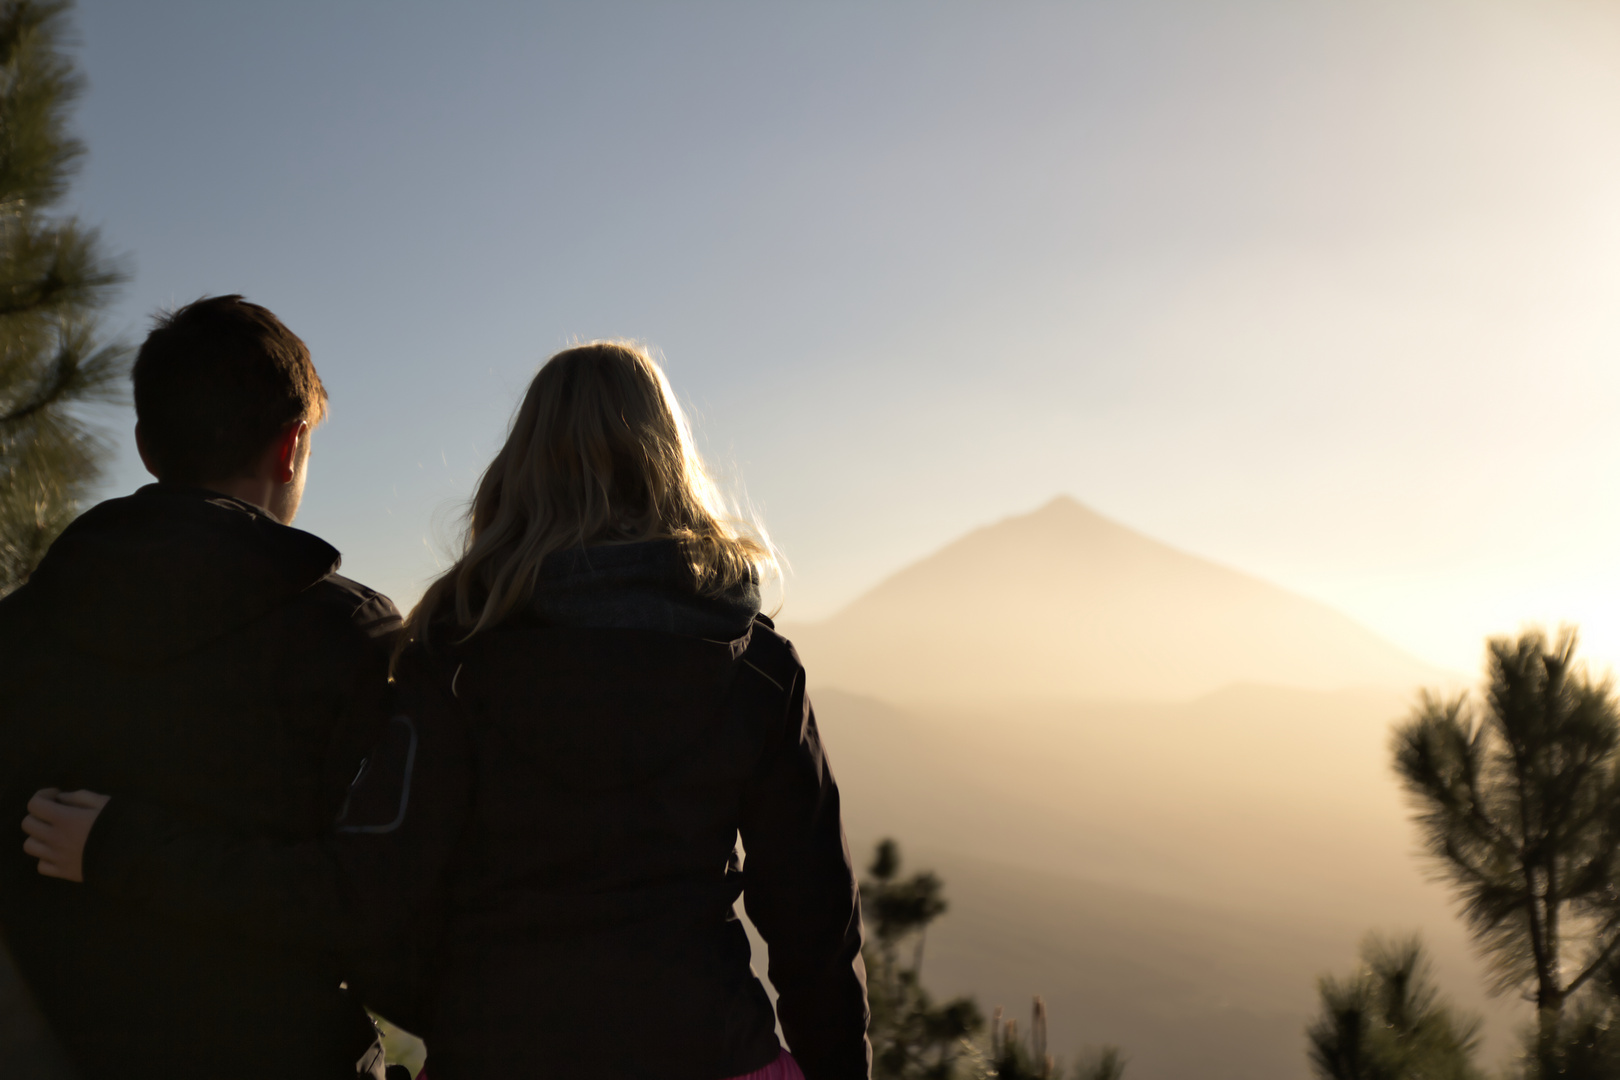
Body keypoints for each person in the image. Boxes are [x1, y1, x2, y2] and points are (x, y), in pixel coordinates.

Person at [23, 341, 872, 1080]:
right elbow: (815, 932)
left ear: (523, 468)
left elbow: (375, 895)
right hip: (709, 1049)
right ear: (671, 462)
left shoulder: (453, 661)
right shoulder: (755, 666)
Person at [0, 296, 402, 1079]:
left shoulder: (17, 632)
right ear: (292, 447)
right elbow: (369, 900)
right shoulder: (347, 637)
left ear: (147, 448)